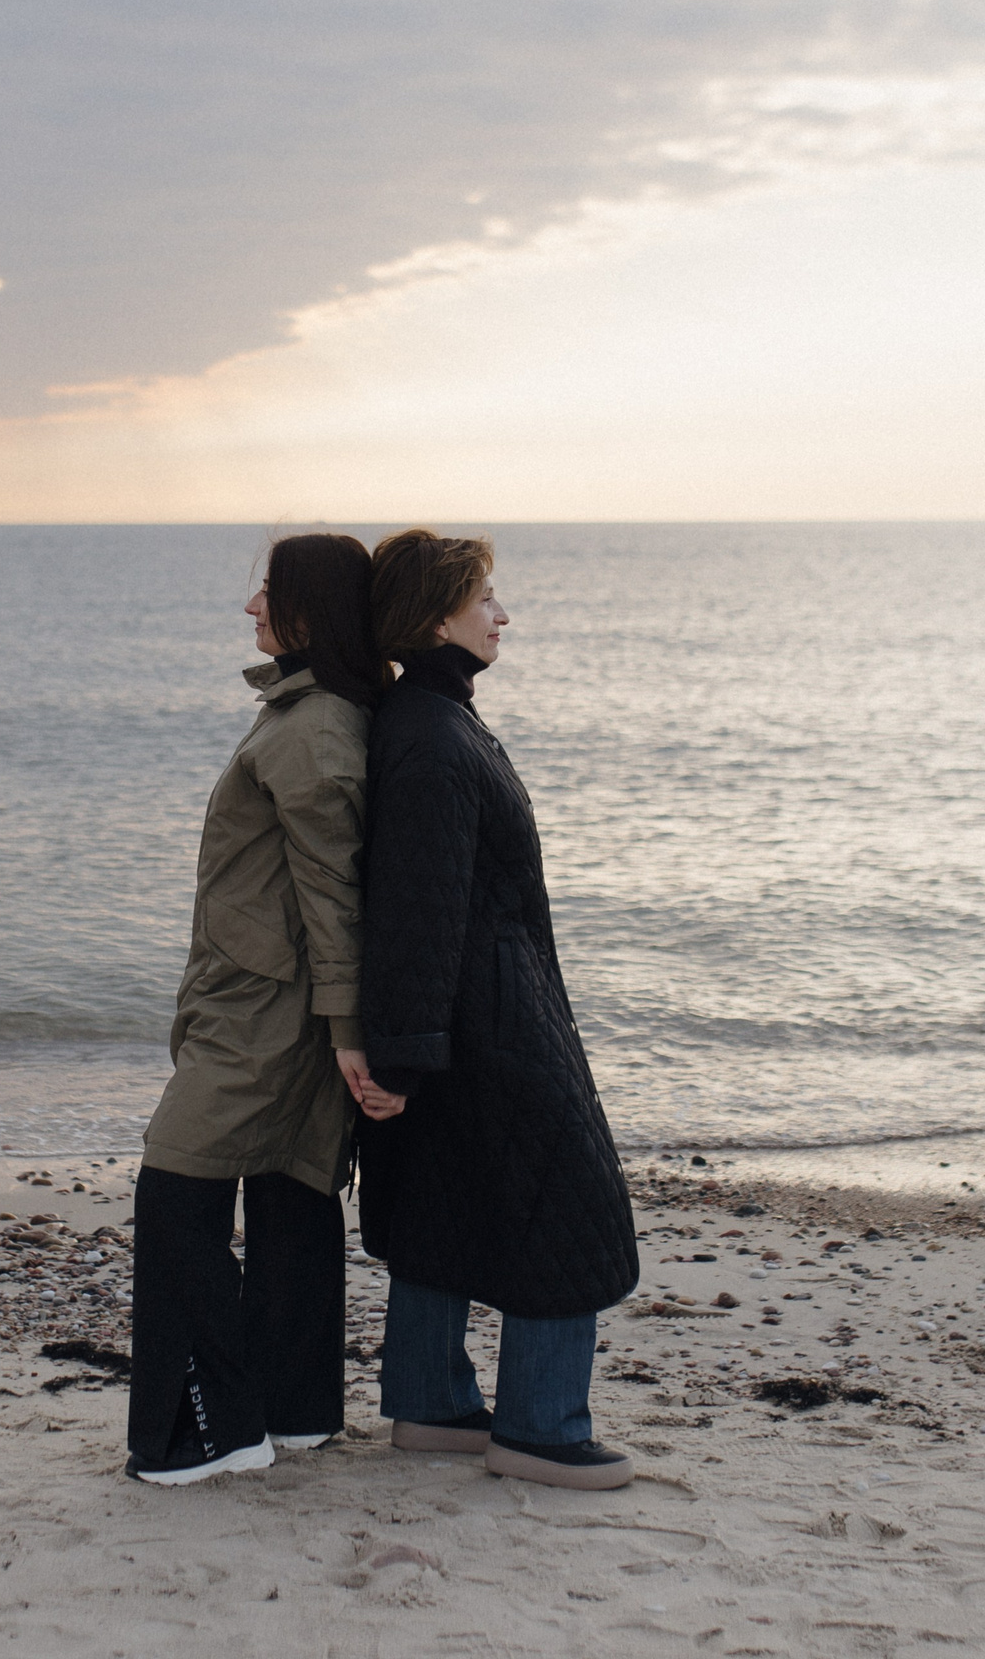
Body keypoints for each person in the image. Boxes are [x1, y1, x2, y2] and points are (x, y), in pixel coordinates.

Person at [351, 528, 639, 1491]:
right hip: (489, 1028)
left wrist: (405, 1051)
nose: (503, 615)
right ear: (438, 616)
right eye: (485, 600)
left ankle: (432, 1406)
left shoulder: (429, 717)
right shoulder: (431, 737)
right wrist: (400, 1057)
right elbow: (417, 909)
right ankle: (541, 1427)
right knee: (575, 1206)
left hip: (474, 1020)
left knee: (440, 1200)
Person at [126, 532, 397, 1486]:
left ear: (309, 612)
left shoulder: (315, 729)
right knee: (290, 1196)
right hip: (271, 1007)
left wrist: (347, 1034)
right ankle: (295, 1411)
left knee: (174, 1192)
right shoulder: (311, 715)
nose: (251, 609)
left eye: (266, 593)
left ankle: (204, 1432)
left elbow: (335, 896)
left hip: (265, 1020)